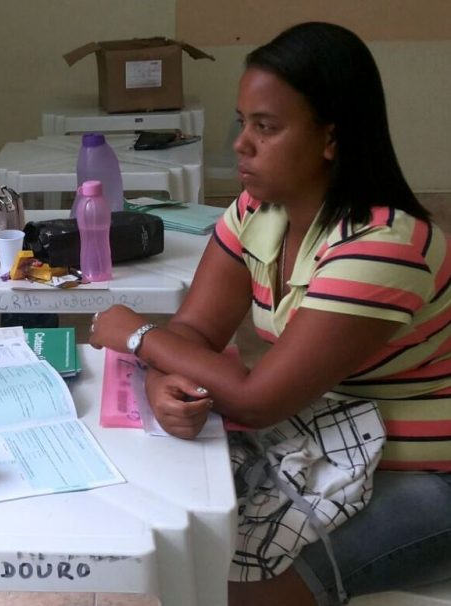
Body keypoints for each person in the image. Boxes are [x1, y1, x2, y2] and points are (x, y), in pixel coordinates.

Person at [89, 22, 451, 606]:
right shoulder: (260, 209)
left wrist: (134, 333)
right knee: (185, 540)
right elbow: (196, 331)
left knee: (237, 587)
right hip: (324, 441)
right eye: (244, 121)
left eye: (267, 127)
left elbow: (258, 400)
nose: (241, 143)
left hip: (423, 473)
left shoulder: (384, 244)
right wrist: (162, 374)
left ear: (331, 138)